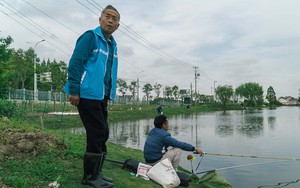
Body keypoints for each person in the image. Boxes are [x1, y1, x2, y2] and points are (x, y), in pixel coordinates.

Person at [64, 5, 120, 188]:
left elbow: (108, 72)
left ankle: (98, 173)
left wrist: (109, 93)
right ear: (100, 19)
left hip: (100, 95)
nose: (110, 20)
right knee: (96, 133)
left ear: (118, 25)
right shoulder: (90, 37)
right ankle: (90, 176)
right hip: (86, 94)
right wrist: (74, 90)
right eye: (108, 16)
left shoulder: (112, 45)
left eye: (114, 18)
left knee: (103, 132)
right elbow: (75, 63)